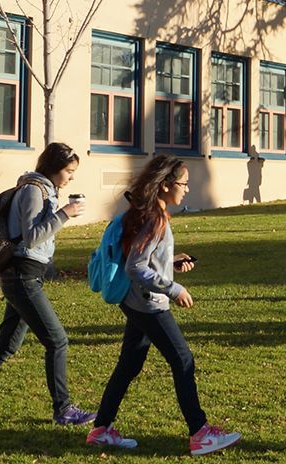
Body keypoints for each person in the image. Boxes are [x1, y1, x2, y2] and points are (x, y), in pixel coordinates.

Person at [87, 154, 241, 454]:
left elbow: (142, 258)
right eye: (184, 183)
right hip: (148, 304)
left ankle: (101, 429)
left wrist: (169, 262)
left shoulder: (145, 212)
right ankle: (200, 434)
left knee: (130, 364)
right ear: (166, 185)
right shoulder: (155, 219)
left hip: (134, 301)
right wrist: (173, 288)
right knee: (183, 360)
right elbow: (135, 266)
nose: (187, 189)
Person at [0, 143, 95, 427]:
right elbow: (32, 237)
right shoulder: (33, 190)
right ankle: (64, 409)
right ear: (54, 167)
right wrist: (64, 214)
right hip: (22, 276)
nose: (71, 177)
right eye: (69, 170)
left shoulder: (45, 190)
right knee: (57, 341)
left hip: (27, 276)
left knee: (7, 344)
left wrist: (61, 213)